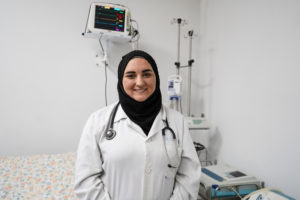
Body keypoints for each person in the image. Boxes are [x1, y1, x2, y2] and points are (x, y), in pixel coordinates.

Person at [74, 50, 201, 200]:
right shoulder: (97, 121)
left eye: (147, 74)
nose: (140, 82)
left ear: (156, 78)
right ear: (121, 80)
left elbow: (189, 177)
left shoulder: (177, 121)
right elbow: (86, 180)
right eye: (131, 75)